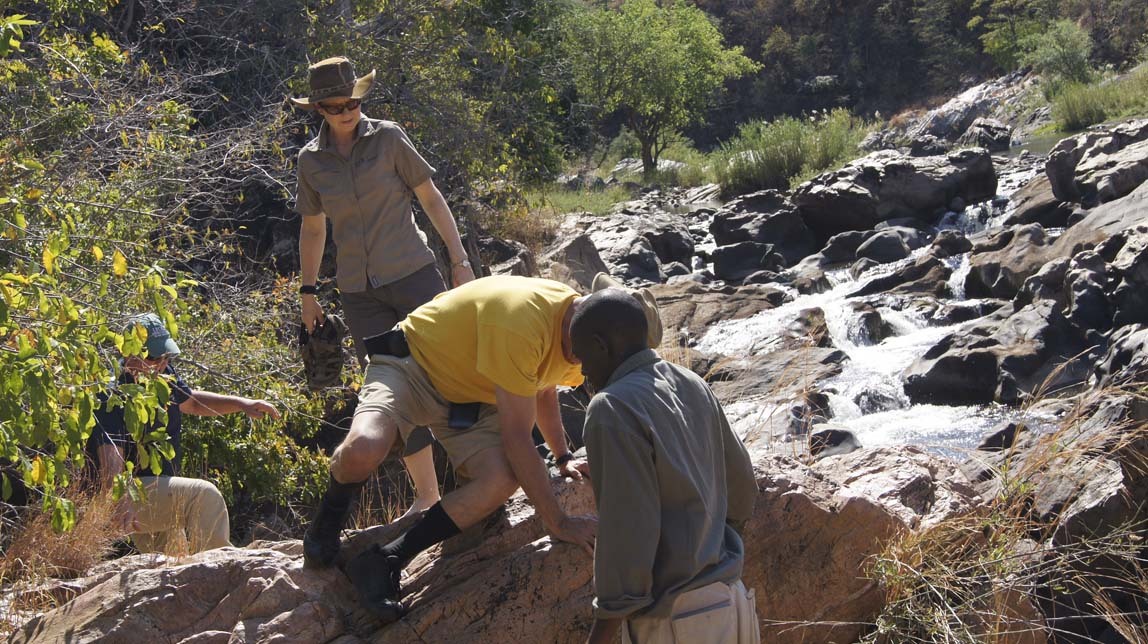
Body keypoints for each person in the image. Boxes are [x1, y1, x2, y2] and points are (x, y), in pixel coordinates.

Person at [302, 275, 661, 623]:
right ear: (604, 338)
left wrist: (562, 456)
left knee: (502, 479)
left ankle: (386, 560)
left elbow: (544, 387)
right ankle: (327, 522)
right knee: (364, 448)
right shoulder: (525, 320)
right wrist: (559, 522)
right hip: (413, 364)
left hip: (472, 398)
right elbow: (518, 438)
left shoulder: (580, 329)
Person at [291, 56, 475, 519]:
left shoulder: (390, 137)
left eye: (351, 101)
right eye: (334, 106)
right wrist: (308, 292)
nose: (346, 112)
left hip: (414, 275)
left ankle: (483, 475)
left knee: (450, 373)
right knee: (389, 393)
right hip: (359, 293)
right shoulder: (311, 162)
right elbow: (314, 230)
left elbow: (431, 198)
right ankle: (428, 495)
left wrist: (459, 262)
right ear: (319, 109)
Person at [570, 287, 760, 644]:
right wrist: (709, 557)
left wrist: (601, 633)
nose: (581, 371)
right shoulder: (691, 382)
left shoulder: (610, 407)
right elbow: (743, 490)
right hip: (731, 602)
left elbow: (628, 535)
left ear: (601, 345)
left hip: (676, 623)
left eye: (581, 357)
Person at [86, 314, 281, 555]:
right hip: (125, 492)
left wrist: (241, 404)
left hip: (157, 489)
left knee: (172, 565)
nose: (161, 362)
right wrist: (120, 500)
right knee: (204, 496)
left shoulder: (161, 375)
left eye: (165, 355)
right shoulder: (112, 393)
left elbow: (192, 403)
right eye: (153, 357)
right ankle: (219, 573)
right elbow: (110, 457)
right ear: (128, 353)